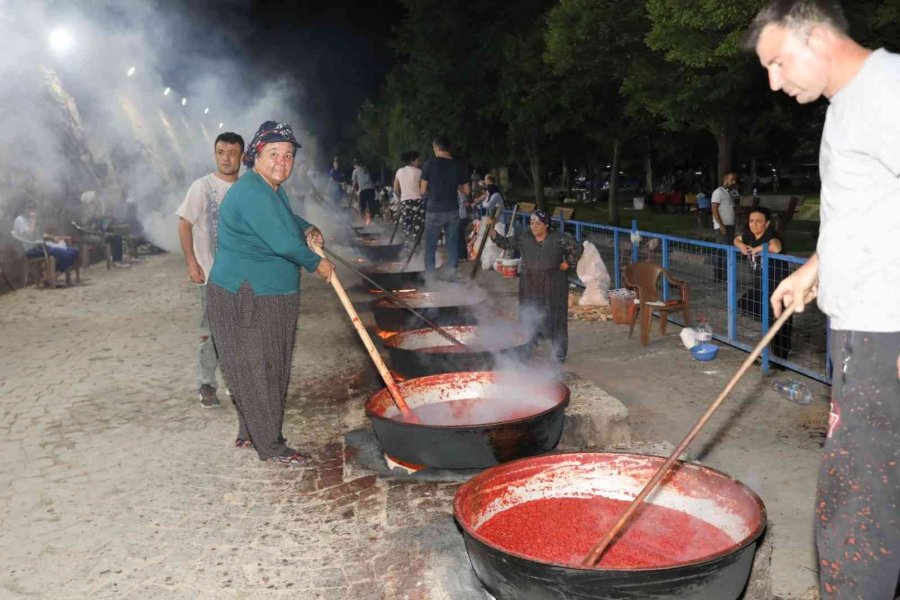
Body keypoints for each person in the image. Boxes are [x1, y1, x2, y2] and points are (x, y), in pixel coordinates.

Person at [746, 2, 900, 597]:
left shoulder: (884, 90)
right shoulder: (847, 107)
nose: (774, 81)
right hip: (860, 327)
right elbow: (865, 215)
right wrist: (815, 268)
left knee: (857, 513)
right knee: (867, 504)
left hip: (885, 334)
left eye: (778, 62)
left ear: (816, 37)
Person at [206, 121, 333, 466]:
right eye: (274, 153)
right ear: (256, 156)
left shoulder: (269, 189)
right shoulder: (251, 191)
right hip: (248, 295)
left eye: (288, 155)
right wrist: (316, 264)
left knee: (257, 366)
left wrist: (307, 227)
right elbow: (280, 241)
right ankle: (272, 447)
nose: (282, 161)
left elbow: (284, 220)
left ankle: (250, 432)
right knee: (262, 369)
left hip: (267, 293)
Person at [175, 131, 244, 409]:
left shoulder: (246, 189)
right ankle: (206, 384)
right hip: (213, 276)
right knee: (212, 332)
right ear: (215, 154)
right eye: (221, 152)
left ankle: (237, 384)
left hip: (243, 277)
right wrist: (192, 262)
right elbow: (184, 224)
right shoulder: (202, 187)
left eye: (232, 153)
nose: (226, 158)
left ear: (242, 156)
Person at [490, 210, 583, 362]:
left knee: (556, 317)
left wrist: (567, 264)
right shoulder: (524, 238)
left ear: (546, 225)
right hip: (530, 282)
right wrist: (492, 231)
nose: (534, 227)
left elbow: (578, 248)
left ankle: (558, 354)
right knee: (528, 314)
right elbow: (505, 243)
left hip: (554, 282)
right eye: (532, 223)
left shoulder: (559, 238)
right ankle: (528, 347)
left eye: (538, 224)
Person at [734, 206, 793, 361]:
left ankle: (780, 360)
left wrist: (757, 249)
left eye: (759, 222)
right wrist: (741, 246)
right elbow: (737, 239)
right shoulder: (751, 236)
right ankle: (771, 353)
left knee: (780, 322)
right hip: (762, 286)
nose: (754, 224)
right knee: (745, 303)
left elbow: (776, 246)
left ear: (766, 224)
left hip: (779, 286)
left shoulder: (770, 235)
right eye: (751, 221)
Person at [420, 135, 470, 278]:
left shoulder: (429, 163)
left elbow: (423, 190)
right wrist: (455, 186)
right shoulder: (458, 165)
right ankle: (451, 278)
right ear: (449, 148)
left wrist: (431, 193)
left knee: (430, 247)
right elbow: (467, 191)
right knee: (452, 246)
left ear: (436, 148)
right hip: (453, 211)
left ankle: (430, 278)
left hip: (434, 210)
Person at [13, 203, 80, 278]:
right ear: (24, 208)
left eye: (34, 208)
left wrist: (53, 237)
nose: (32, 211)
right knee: (66, 254)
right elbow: (30, 233)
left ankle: (54, 274)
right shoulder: (19, 220)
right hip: (31, 249)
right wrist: (34, 220)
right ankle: (51, 275)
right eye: (30, 208)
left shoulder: (29, 219)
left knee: (74, 251)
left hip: (41, 246)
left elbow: (40, 234)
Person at [79, 191, 129, 268]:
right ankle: (117, 261)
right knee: (116, 237)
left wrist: (104, 219)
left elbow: (98, 220)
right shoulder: (85, 213)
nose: (96, 199)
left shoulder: (90, 209)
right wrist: (100, 224)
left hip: (97, 233)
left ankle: (121, 257)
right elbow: (88, 228)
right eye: (93, 198)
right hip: (91, 236)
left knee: (116, 232)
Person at [393, 150, 424, 256]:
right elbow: (423, 189)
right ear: (412, 160)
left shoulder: (399, 172)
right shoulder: (419, 172)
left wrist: (402, 197)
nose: (419, 162)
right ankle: (416, 253)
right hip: (418, 202)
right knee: (417, 229)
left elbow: (396, 189)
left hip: (405, 202)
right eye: (418, 160)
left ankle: (407, 253)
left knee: (407, 228)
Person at [711, 172, 739, 281]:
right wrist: (721, 225)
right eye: (732, 179)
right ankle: (719, 275)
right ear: (725, 178)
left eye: (735, 180)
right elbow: (714, 209)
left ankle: (724, 274)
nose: (734, 182)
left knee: (727, 251)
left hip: (730, 225)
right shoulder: (718, 192)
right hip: (722, 226)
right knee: (722, 251)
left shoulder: (730, 193)